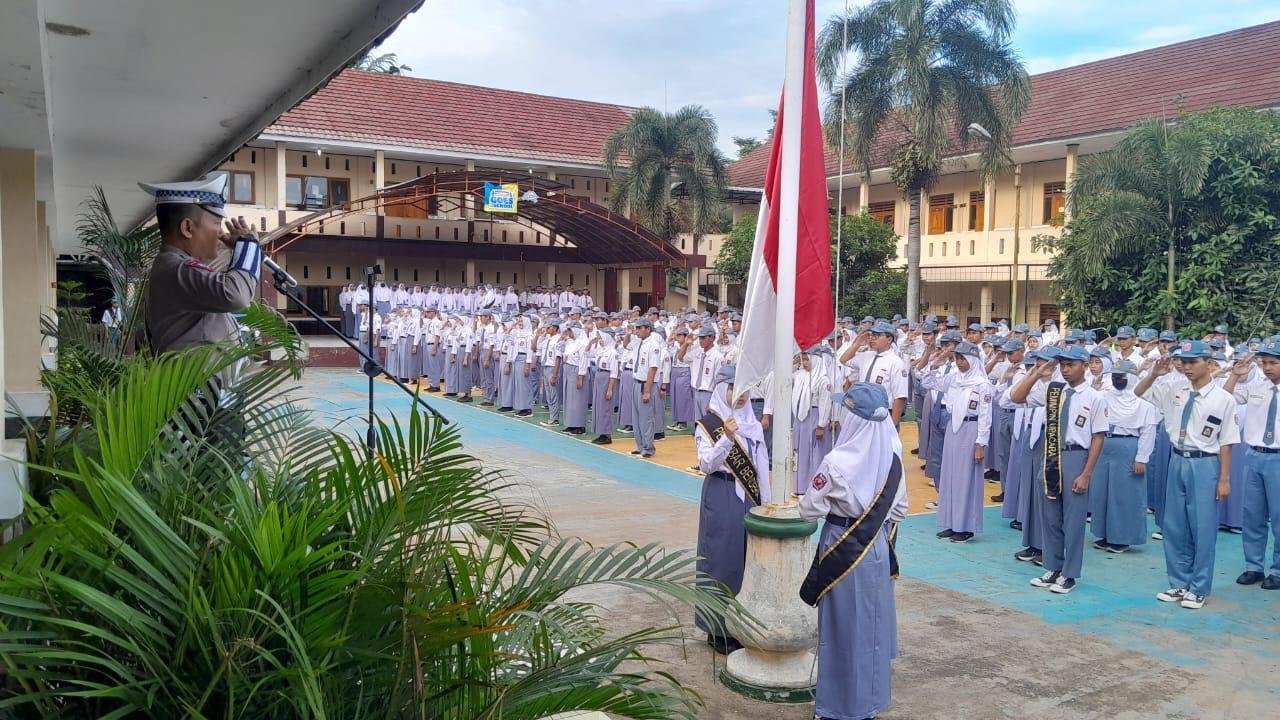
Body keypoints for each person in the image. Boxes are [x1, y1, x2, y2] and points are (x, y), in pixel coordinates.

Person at [799, 382, 907, 720]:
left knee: (840, 630)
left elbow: (809, 509)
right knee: (871, 629)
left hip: (841, 545)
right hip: (875, 547)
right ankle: (868, 705)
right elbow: (900, 509)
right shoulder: (893, 460)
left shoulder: (836, 462)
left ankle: (837, 708)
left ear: (854, 420)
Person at [1134, 341, 1240, 609]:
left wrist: (1224, 479)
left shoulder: (1223, 399)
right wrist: (1154, 374)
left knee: (1202, 527)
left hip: (1205, 463)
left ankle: (1199, 587)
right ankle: (1179, 583)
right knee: (1174, 525)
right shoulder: (1175, 389)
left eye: (1194, 362)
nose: (1187, 367)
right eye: (1184, 362)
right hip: (1178, 459)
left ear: (1209, 363)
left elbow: (1227, 442)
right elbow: (1139, 391)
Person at [1010, 345, 1108, 595]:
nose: (1065, 370)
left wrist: (1086, 474)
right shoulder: (1054, 391)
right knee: (1050, 516)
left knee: (1073, 520)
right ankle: (1053, 567)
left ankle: (1069, 573)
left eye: (1071, 365)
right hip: (1051, 454)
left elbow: (1098, 437)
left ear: (1084, 366)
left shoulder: (1095, 397)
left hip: (1076, 456)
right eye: (1062, 365)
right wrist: (1036, 373)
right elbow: (1016, 397)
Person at [694, 365, 771, 654]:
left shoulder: (752, 424)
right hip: (722, 492)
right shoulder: (708, 425)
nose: (740, 395)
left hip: (749, 497)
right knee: (720, 560)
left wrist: (766, 502)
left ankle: (742, 624)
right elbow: (706, 464)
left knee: (745, 560)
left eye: (745, 389)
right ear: (721, 390)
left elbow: (761, 465)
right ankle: (717, 628)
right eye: (733, 388)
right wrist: (726, 438)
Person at [141, 175, 261, 358]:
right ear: (187, 228)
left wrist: (244, 251)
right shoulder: (176, 269)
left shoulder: (174, 266)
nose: (221, 233)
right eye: (217, 223)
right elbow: (235, 295)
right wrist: (249, 246)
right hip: (197, 377)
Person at [922, 341, 993, 543]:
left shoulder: (982, 384)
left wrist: (981, 444)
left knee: (967, 479)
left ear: (973, 360)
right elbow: (927, 382)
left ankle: (966, 526)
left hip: (971, 429)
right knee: (950, 477)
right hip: (953, 429)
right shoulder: (954, 379)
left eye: (963, 359)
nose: (960, 362)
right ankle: (951, 523)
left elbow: (985, 415)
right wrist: (934, 364)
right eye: (957, 358)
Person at [1224, 340, 1280, 590]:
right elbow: (1225, 398)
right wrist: (1235, 376)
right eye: (1264, 362)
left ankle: (1277, 570)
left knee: (1279, 517)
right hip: (1254, 455)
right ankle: (1254, 566)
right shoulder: (1257, 386)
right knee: (1253, 514)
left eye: (1273, 362)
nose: (1267, 367)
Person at [1091, 360, 1158, 553]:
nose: (1117, 379)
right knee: (1103, 493)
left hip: (1128, 447)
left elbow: (1148, 432)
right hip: (1104, 445)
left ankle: (1122, 538)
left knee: (1124, 495)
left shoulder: (1143, 405)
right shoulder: (1104, 397)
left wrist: (1142, 458)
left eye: (1121, 376)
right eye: (1114, 376)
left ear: (1131, 378)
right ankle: (1105, 534)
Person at [630, 318, 661, 458]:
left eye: (639, 328)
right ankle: (640, 446)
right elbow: (625, 344)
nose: (636, 330)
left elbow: (652, 369)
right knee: (636, 418)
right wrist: (628, 333)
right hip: (636, 382)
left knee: (646, 418)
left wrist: (647, 391)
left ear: (648, 329)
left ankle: (648, 448)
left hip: (646, 384)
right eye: (636, 328)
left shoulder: (653, 345)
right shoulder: (638, 342)